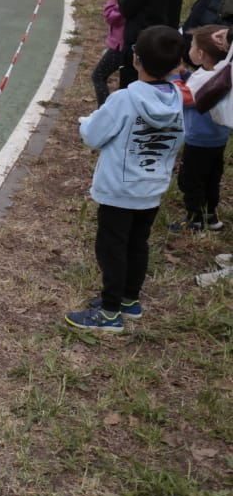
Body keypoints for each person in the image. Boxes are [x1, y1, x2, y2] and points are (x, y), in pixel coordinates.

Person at [66, 25, 185, 331]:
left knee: (112, 248)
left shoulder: (123, 99)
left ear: (135, 59)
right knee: (137, 244)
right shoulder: (176, 99)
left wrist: (86, 122)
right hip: (151, 188)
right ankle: (129, 299)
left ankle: (109, 312)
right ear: (177, 65)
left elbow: (93, 136)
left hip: (118, 190)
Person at [170, 26, 231, 232]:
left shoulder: (203, 78)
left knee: (191, 180)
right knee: (212, 178)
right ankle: (211, 216)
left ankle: (194, 219)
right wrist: (186, 75)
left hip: (198, 140)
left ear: (201, 54)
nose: (190, 50)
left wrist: (175, 78)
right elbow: (199, 87)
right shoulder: (222, 71)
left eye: (192, 47)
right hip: (218, 139)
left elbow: (187, 98)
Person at [94, 0, 146, 105]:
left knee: (98, 76)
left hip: (120, 47)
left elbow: (113, 18)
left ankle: (105, 111)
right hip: (129, 45)